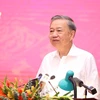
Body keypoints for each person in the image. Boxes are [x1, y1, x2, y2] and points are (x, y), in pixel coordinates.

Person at [36, 15, 100, 99]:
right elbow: (37, 90)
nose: (54, 34)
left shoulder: (85, 58)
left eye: (59, 30)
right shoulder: (48, 59)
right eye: (51, 31)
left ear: (71, 34)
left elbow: (94, 93)